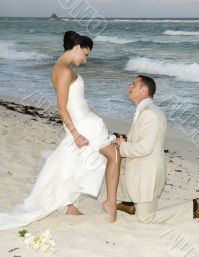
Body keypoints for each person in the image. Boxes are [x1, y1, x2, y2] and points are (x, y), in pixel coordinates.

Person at [0, 31, 120, 231]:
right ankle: (110, 203)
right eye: (86, 54)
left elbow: (73, 99)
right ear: (77, 48)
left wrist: (87, 107)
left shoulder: (61, 68)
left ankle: (72, 207)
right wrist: (75, 135)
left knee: (77, 163)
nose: (85, 59)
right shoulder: (63, 70)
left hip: (84, 119)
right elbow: (61, 107)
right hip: (83, 126)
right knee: (114, 155)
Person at [114, 75, 199, 223]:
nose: (129, 87)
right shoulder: (145, 110)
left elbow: (144, 148)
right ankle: (129, 202)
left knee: (146, 218)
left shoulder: (150, 114)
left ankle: (195, 207)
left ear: (144, 90)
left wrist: (123, 146)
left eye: (133, 84)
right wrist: (124, 141)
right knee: (114, 160)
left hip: (148, 173)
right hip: (142, 167)